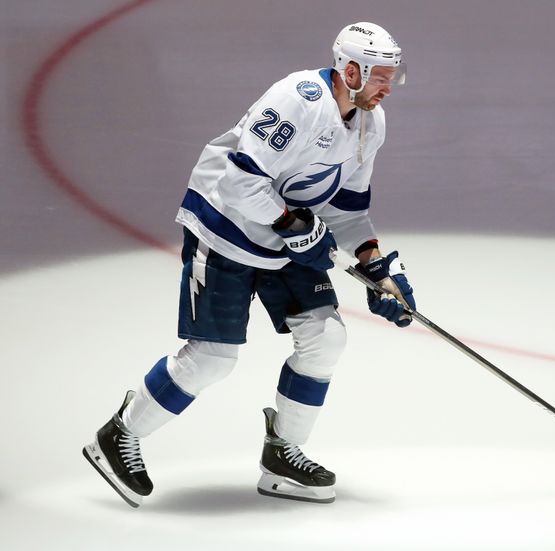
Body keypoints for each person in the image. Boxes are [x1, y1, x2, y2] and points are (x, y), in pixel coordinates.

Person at [83, 21, 416, 507]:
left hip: (286, 236)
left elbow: (348, 210)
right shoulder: (297, 99)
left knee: (326, 338)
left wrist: (377, 268)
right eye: (382, 76)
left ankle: (283, 454)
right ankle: (117, 436)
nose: (391, 86)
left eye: (393, 76)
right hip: (226, 228)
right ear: (350, 69)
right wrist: (296, 228)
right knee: (212, 360)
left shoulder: (371, 122)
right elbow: (238, 185)